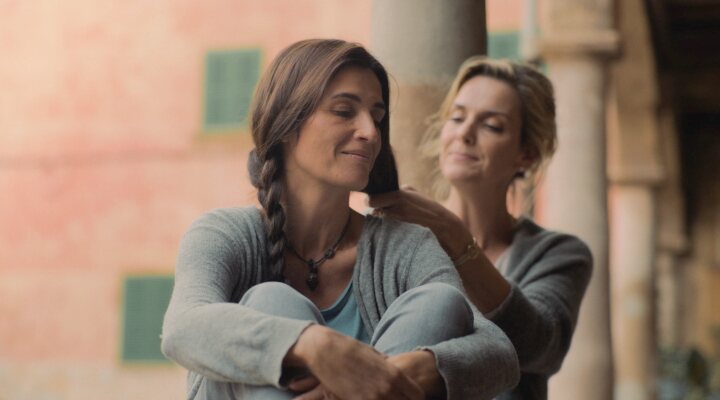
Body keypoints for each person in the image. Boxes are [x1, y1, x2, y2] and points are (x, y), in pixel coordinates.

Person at [161, 40, 519, 400]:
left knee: (440, 302)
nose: (370, 132)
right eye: (345, 111)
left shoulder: (406, 247)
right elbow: (182, 327)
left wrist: (423, 366)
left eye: (376, 117)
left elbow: (500, 353)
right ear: (287, 123)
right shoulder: (224, 234)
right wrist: (314, 345)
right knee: (273, 302)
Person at [368, 56, 593, 400]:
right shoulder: (400, 236)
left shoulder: (559, 253)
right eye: (457, 118)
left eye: (491, 125)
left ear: (527, 155)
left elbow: (540, 345)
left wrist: (452, 234)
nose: (464, 133)